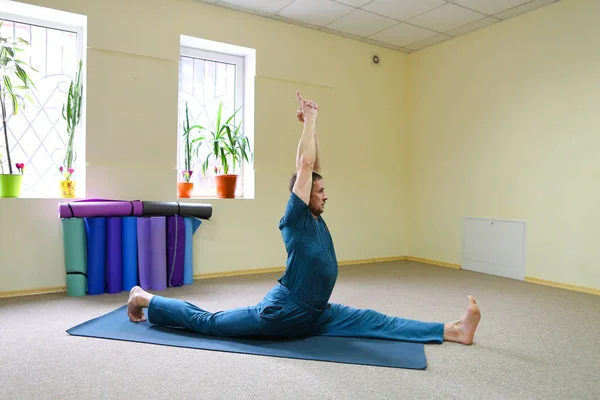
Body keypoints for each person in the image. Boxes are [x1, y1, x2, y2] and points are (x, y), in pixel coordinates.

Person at [127, 91, 481, 345]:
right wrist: (311, 119)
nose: (325, 194)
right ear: (303, 191)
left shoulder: (315, 217)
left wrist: (312, 127)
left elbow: (312, 164)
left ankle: (452, 330)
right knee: (210, 322)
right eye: (318, 189)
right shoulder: (295, 218)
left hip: (317, 312)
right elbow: (305, 166)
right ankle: (144, 297)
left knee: (376, 320)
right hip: (281, 313)